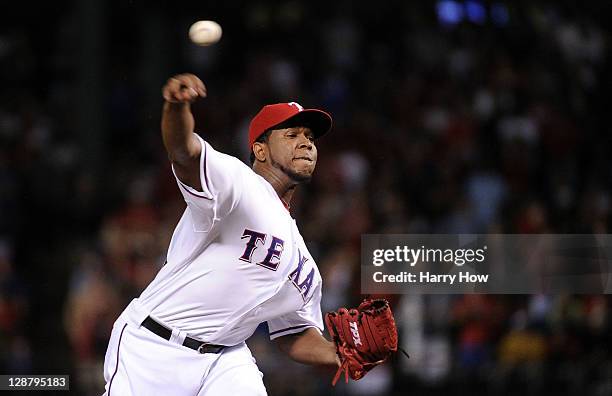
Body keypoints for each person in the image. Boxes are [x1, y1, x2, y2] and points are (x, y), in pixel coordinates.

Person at [102, 73, 339, 395]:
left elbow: (291, 333)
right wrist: (176, 108)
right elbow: (184, 153)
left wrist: (336, 354)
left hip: (226, 359)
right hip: (154, 346)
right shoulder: (236, 183)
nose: (306, 143)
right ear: (260, 149)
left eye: (310, 137)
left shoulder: (303, 260)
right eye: (292, 133)